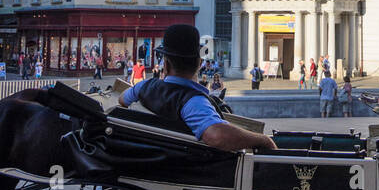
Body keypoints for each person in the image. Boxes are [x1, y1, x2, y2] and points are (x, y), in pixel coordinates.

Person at [118, 24, 275, 152]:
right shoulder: (193, 102)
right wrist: (263, 140)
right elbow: (217, 135)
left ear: (165, 65)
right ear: (199, 65)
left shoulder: (144, 86)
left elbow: (122, 99)